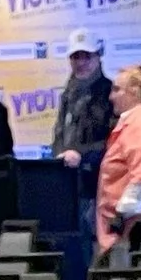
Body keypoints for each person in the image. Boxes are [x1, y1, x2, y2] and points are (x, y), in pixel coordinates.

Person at [95, 63, 141, 261]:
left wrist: (120, 215)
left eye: (117, 90)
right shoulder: (135, 125)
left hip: (134, 237)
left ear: (135, 92)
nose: (111, 97)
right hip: (126, 235)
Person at [52, 27, 114, 175]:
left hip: (99, 177)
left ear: (98, 56)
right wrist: (60, 155)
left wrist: (81, 155)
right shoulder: (67, 94)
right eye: (75, 57)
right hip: (67, 175)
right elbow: (59, 134)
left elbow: (115, 140)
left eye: (87, 56)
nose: (81, 63)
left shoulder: (112, 93)